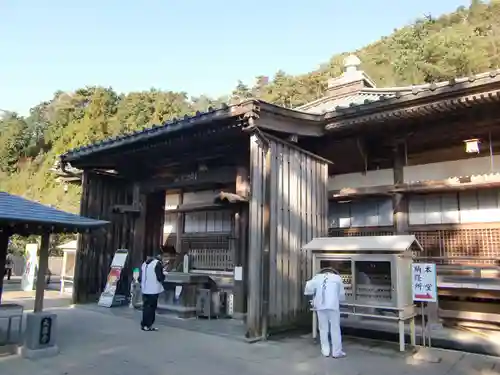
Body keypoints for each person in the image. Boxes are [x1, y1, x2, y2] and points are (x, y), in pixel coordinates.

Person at [304, 267, 346, 358]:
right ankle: (336, 352)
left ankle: (325, 351)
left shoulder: (317, 277)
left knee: (323, 329)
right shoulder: (337, 278)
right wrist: (340, 301)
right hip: (333, 306)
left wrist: (312, 295)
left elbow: (308, 286)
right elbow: (342, 294)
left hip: (320, 305)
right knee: (335, 328)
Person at [138, 252, 165, 331]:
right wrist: (164, 276)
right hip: (153, 290)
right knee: (151, 308)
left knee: (146, 307)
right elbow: (160, 277)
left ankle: (145, 324)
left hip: (145, 289)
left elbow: (140, 278)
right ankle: (148, 325)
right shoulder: (157, 264)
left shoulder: (144, 264)